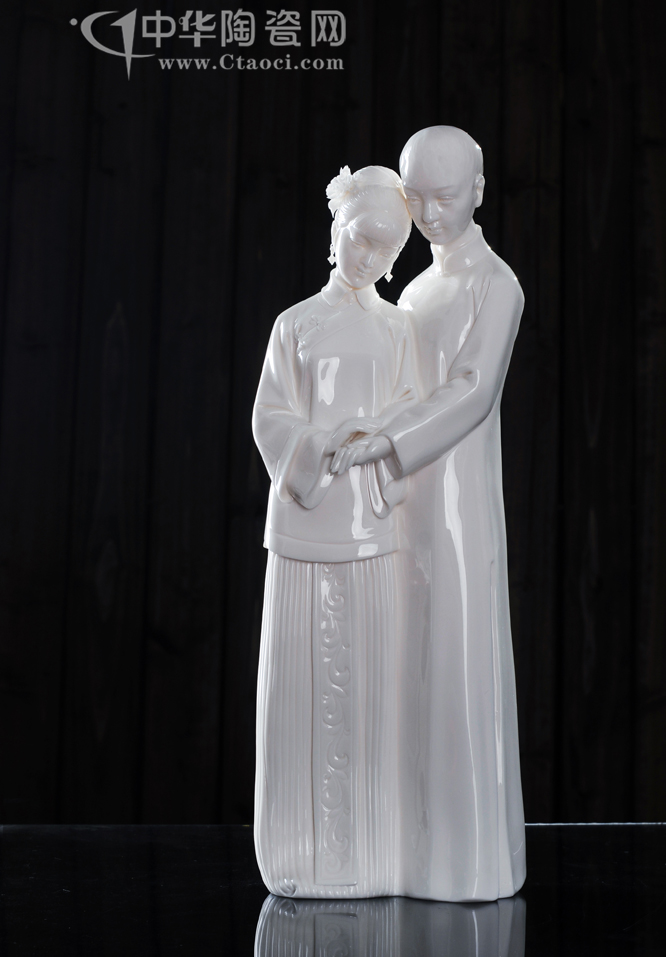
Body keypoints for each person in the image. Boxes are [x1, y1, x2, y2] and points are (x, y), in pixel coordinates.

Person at [332, 126, 526, 902]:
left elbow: (471, 391)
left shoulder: (496, 285)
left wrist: (388, 438)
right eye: (418, 199)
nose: (433, 214)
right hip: (399, 498)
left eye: (447, 197)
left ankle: (468, 859)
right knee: (404, 670)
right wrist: (362, 432)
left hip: (456, 503)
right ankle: (404, 849)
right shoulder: (412, 293)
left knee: (456, 662)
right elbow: (394, 382)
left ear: (478, 190)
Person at [252, 165, 417, 898]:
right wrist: (321, 444)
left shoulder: (399, 329)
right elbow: (271, 416)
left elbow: (412, 409)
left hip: (372, 519)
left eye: (386, 249)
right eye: (360, 240)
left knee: (371, 685)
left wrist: (378, 438)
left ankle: (370, 853)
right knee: (297, 684)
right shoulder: (296, 325)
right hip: (305, 513)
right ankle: (293, 851)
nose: (368, 259)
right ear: (336, 229)